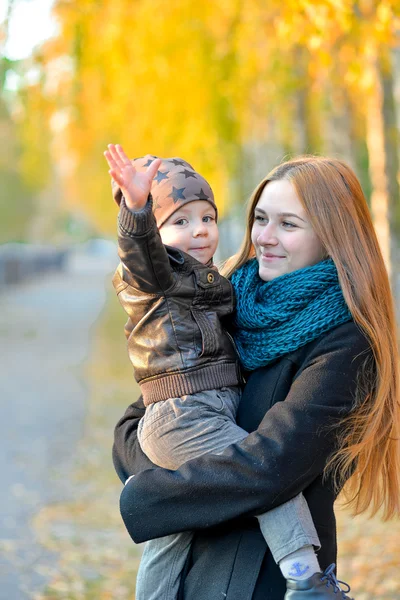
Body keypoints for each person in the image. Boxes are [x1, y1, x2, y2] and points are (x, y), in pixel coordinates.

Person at [112, 155, 400, 600]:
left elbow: (272, 467)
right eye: (261, 219)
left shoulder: (347, 342)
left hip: (269, 580)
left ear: (332, 236)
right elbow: (136, 428)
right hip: (194, 575)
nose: (264, 237)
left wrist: (148, 497)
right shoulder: (224, 302)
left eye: (288, 224)